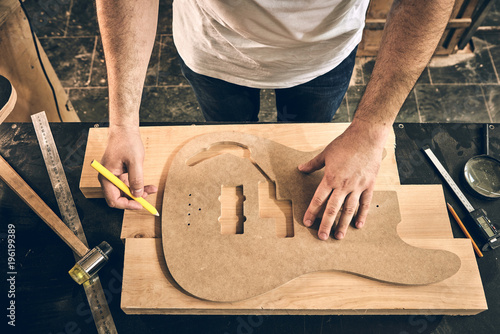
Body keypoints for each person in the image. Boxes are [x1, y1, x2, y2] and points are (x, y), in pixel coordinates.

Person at [95, 0, 454, 241]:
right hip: (213, 49)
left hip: (324, 55)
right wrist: (123, 123)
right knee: (228, 145)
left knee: (304, 164)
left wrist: (372, 128)